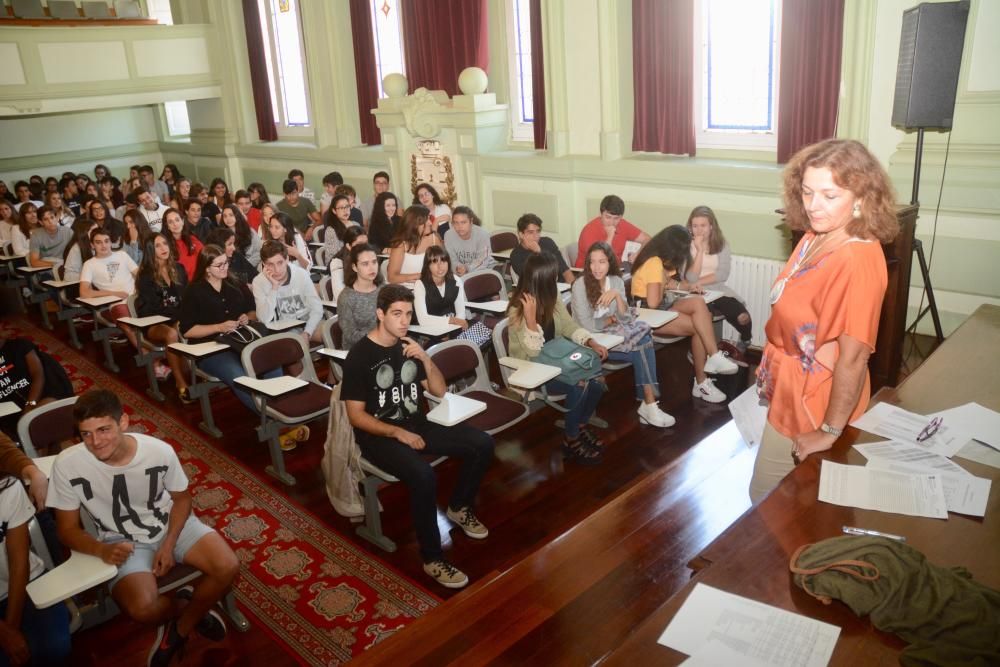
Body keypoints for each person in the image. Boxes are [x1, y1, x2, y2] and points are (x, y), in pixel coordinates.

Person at [749, 139, 898, 502]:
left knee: (766, 502)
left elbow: (854, 358)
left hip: (815, 400)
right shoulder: (816, 235)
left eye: (829, 196)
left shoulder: (857, 261)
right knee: (787, 508)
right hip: (789, 385)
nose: (814, 206)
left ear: (861, 196)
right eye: (807, 192)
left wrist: (829, 431)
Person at [47, 389, 239, 667]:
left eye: (103, 430)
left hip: (169, 522)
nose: (95, 442)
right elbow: (65, 530)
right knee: (143, 608)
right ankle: (186, 606)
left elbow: (182, 500)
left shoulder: (158, 451)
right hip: (118, 537)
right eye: (85, 434)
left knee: (228, 565)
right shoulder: (67, 465)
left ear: (123, 422)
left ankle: (179, 630)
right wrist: (101, 549)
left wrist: (169, 544)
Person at [342, 284, 494, 588]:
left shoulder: (408, 346)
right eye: (397, 314)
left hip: (417, 424)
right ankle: (432, 558)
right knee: (423, 476)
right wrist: (397, 431)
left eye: (408, 314)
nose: (403, 321)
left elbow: (437, 391)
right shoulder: (359, 355)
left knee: (482, 444)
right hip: (379, 436)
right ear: (380, 314)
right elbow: (355, 416)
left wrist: (425, 358)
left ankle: (460, 507)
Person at [507, 253, 609, 464]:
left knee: (597, 380)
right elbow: (533, 353)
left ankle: (579, 426)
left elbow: (568, 326)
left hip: (556, 359)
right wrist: (531, 319)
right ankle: (570, 440)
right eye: (553, 276)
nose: (556, 279)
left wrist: (591, 342)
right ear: (542, 278)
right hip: (532, 369)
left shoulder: (551, 296)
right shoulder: (518, 308)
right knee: (579, 385)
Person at [630, 225, 738, 403]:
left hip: (661, 307)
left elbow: (671, 284)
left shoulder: (660, 261)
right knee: (700, 326)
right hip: (647, 315)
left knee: (698, 302)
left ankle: (714, 357)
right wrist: (663, 281)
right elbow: (653, 301)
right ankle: (702, 380)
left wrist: (686, 287)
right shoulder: (653, 263)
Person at [572, 242, 675, 427]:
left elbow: (626, 318)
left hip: (613, 337)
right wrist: (608, 321)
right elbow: (586, 324)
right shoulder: (580, 285)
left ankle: (649, 404)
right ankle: (649, 404)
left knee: (643, 341)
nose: (596, 267)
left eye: (602, 262)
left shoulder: (616, 281)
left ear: (609, 262)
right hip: (589, 341)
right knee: (644, 342)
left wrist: (618, 297)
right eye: (592, 262)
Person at [178, 245, 281, 416]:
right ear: (207, 269)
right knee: (239, 377)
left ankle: (279, 408)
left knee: (271, 361)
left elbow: (253, 312)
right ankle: (269, 416)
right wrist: (218, 327)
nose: (225, 267)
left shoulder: (234, 283)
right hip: (211, 349)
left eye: (225, 263)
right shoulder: (194, 291)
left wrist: (247, 317)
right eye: (219, 265)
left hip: (240, 340)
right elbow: (187, 330)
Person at [0, 471, 72, 666]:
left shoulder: (7, 487)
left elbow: (19, 563)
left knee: (55, 646)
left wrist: (12, 629)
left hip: (24, 583)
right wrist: (4, 633)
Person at [682, 206, 754, 352]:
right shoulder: (685, 245)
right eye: (695, 226)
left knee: (743, 317)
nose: (699, 230)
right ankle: (701, 351)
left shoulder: (721, 245)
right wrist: (700, 251)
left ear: (711, 226)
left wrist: (698, 283)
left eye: (703, 225)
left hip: (717, 289)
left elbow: (722, 274)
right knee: (704, 317)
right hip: (693, 293)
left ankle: (746, 339)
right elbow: (689, 277)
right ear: (690, 227)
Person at [136, 232, 192, 402]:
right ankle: (181, 383)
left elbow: (188, 297)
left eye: (165, 244)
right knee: (172, 334)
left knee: (187, 325)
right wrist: (180, 316)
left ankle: (194, 373)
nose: (163, 248)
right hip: (153, 322)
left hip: (177, 318)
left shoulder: (179, 269)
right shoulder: (145, 276)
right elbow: (155, 309)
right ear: (150, 250)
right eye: (158, 245)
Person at [252, 241, 324, 345]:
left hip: (308, 322)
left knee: (331, 332)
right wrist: (274, 288)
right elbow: (263, 319)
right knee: (294, 345)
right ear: (263, 264)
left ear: (287, 259)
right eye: (270, 264)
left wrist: (307, 332)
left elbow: (317, 308)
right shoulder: (259, 282)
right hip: (283, 330)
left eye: (280, 263)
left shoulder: (301, 274)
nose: (277, 269)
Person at [79, 226, 139, 345]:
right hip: (118, 303)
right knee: (129, 324)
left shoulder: (122, 255)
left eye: (106, 241)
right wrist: (113, 294)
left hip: (137, 297)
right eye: (98, 242)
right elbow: (84, 292)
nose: (104, 245)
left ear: (111, 242)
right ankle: (149, 359)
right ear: (92, 245)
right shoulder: (89, 264)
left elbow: (140, 276)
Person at [574, 195, 651, 268]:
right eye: (608, 217)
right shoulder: (589, 230)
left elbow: (647, 239)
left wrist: (638, 254)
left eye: (616, 218)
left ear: (621, 217)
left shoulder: (622, 224)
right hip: (589, 272)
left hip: (615, 270)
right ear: (601, 214)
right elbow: (600, 260)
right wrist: (610, 236)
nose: (611, 222)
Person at [336, 243, 383, 350]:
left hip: (384, 343)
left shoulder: (383, 289)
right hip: (359, 350)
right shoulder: (346, 298)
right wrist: (381, 334)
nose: (372, 268)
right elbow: (351, 335)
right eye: (365, 264)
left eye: (374, 262)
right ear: (354, 267)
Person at [412, 246, 469, 331]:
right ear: (428, 266)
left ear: (448, 263)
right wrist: (451, 321)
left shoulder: (456, 280)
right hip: (430, 330)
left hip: (454, 328)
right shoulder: (420, 284)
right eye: (434, 262)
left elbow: (460, 313)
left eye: (443, 261)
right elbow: (423, 320)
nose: (440, 266)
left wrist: (453, 328)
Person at [509, 213, 575, 285]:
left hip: (562, 287)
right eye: (531, 232)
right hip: (539, 291)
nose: (536, 236)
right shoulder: (516, 255)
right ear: (521, 234)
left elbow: (565, 270)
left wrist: (573, 288)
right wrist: (538, 252)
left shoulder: (548, 242)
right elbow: (538, 279)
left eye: (538, 231)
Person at [386, 205, 440, 286]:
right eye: (427, 219)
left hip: (429, 286)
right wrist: (418, 276)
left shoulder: (434, 239)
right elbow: (392, 277)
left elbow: (443, 263)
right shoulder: (401, 245)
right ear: (415, 224)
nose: (430, 222)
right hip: (404, 288)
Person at [443, 206, 494, 276]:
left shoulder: (482, 234)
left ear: (471, 222)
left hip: (483, 271)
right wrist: (458, 268)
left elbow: (483, 260)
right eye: (456, 223)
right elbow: (451, 259)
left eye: (463, 222)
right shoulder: (448, 235)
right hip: (459, 273)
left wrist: (467, 268)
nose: (459, 226)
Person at [327, 226, 368, 301]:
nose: (364, 248)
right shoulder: (337, 263)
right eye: (359, 244)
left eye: (366, 244)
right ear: (348, 246)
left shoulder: (368, 259)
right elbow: (340, 296)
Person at [163, 207, 204, 281]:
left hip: (200, 280)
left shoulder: (192, 238)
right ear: (167, 226)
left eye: (177, 220)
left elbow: (205, 255)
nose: (175, 224)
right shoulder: (165, 245)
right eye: (170, 222)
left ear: (182, 221)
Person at [28, 206, 72, 270]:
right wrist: (56, 265)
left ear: (56, 218)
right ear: (41, 222)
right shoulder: (36, 235)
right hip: (48, 268)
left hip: (68, 265)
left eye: (52, 217)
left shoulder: (68, 231)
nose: (50, 221)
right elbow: (34, 262)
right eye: (46, 219)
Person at [219, 204, 261, 269]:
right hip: (228, 269)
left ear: (237, 215)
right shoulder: (220, 234)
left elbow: (258, 252)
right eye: (225, 216)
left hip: (249, 267)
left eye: (231, 215)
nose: (228, 219)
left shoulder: (250, 232)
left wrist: (244, 265)